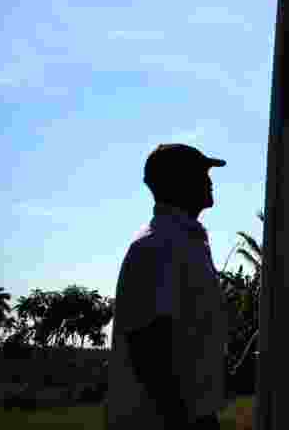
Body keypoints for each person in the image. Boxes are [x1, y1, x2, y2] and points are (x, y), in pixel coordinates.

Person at [107, 143, 229, 430]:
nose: (209, 182)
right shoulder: (159, 244)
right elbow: (147, 341)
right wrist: (180, 418)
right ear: (180, 182)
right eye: (202, 174)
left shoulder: (182, 240)